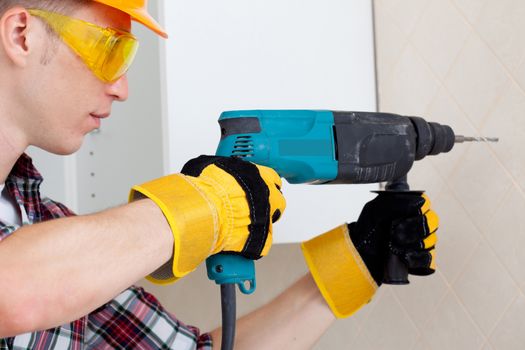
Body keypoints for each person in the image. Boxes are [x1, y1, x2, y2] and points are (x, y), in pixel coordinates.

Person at [0, 0, 439, 349]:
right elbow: (12, 290)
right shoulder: (46, 263)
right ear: (22, 34)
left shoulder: (48, 230)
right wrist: (205, 204)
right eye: (110, 48)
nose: (122, 88)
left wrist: (353, 265)